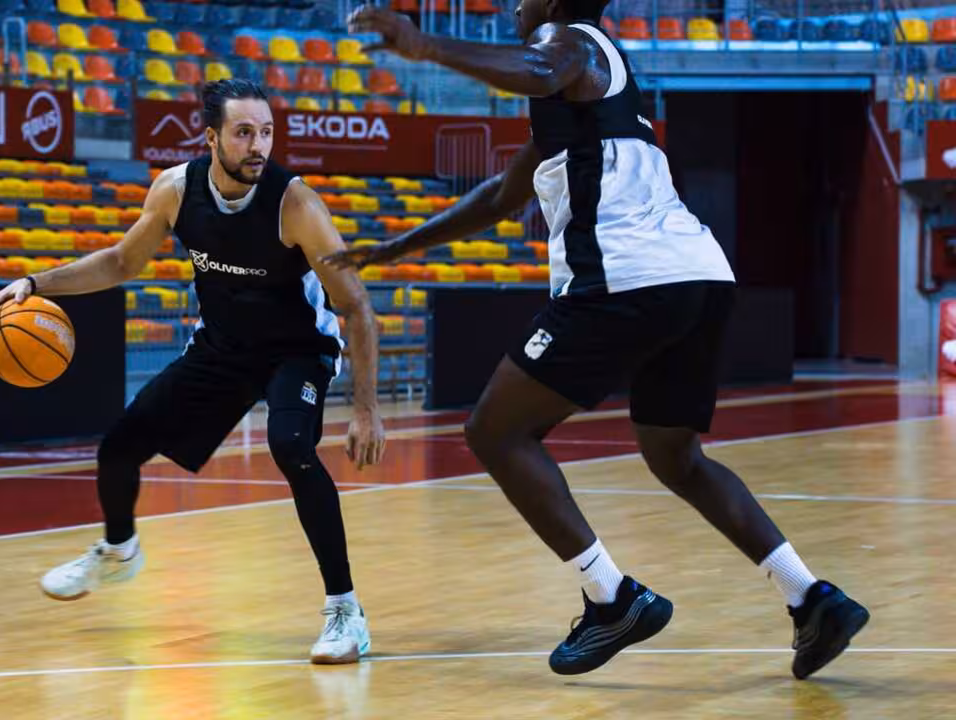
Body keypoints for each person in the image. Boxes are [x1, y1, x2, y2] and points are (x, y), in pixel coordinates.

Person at [328, 1, 868, 679]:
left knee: (496, 431)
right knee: (676, 457)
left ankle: (610, 597)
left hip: (624, 278)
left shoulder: (568, 43)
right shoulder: (591, 97)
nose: (517, 5)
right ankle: (811, 597)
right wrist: (397, 247)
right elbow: (500, 197)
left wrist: (422, 44)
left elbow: (537, 66)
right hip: (698, 277)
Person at [0, 79, 387, 664]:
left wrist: (368, 410)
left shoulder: (294, 204)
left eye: (267, 132)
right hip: (223, 347)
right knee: (119, 445)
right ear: (211, 137)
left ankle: (346, 611)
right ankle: (119, 551)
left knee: (291, 445)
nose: (258, 146)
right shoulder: (176, 190)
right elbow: (122, 261)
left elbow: (356, 308)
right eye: (245, 132)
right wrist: (35, 283)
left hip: (296, 349)